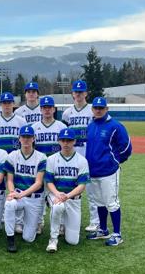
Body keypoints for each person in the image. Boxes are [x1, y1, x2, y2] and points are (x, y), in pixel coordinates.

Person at [86, 97, 132, 246]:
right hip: (93, 171)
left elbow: (126, 147)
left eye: (101, 108)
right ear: (92, 109)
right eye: (96, 108)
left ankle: (117, 234)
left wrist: (116, 162)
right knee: (99, 202)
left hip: (109, 171)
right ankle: (103, 230)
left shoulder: (115, 126)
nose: (98, 110)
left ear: (107, 109)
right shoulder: (91, 125)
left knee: (111, 203)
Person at [45, 128, 90, 253]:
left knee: (73, 241)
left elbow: (82, 186)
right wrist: (58, 194)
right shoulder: (52, 159)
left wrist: (67, 196)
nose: (66, 143)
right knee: (58, 206)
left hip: (73, 199)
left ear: (74, 141)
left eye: (69, 140)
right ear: (59, 141)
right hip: (56, 194)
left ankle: (63, 223)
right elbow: (49, 182)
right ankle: (53, 239)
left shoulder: (82, 160)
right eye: (63, 140)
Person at [3, 125, 47, 252]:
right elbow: (9, 180)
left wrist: (20, 195)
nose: (26, 140)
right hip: (18, 194)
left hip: (34, 198)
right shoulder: (12, 155)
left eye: (29, 137)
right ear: (19, 139)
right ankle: (10, 238)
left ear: (34, 139)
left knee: (29, 238)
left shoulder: (41, 157)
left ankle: (25, 222)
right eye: (24, 137)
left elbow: (39, 183)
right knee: (10, 204)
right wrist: (12, 192)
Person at [62, 80, 98, 232]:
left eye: (81, 91)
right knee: (68, 184)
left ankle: (95, 221)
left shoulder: (92, 110)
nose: (78, 94)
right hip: (72, 150)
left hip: (88, 149)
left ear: (86, 93)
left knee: (91, 187)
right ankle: (66, 220)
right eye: (76, 92)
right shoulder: (67, 113)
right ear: (72, 94)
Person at [32, 96, 67, 235]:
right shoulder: (34, 127)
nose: (47, 110)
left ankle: (61, 224)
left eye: (49, 107)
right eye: (44, 108)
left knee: (58, 194)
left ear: (53, 109)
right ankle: (39, 222)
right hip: (39, 166)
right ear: (40, 109)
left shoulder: (61, 126)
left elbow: (66, 148)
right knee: (39, 195)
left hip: (57, 166)